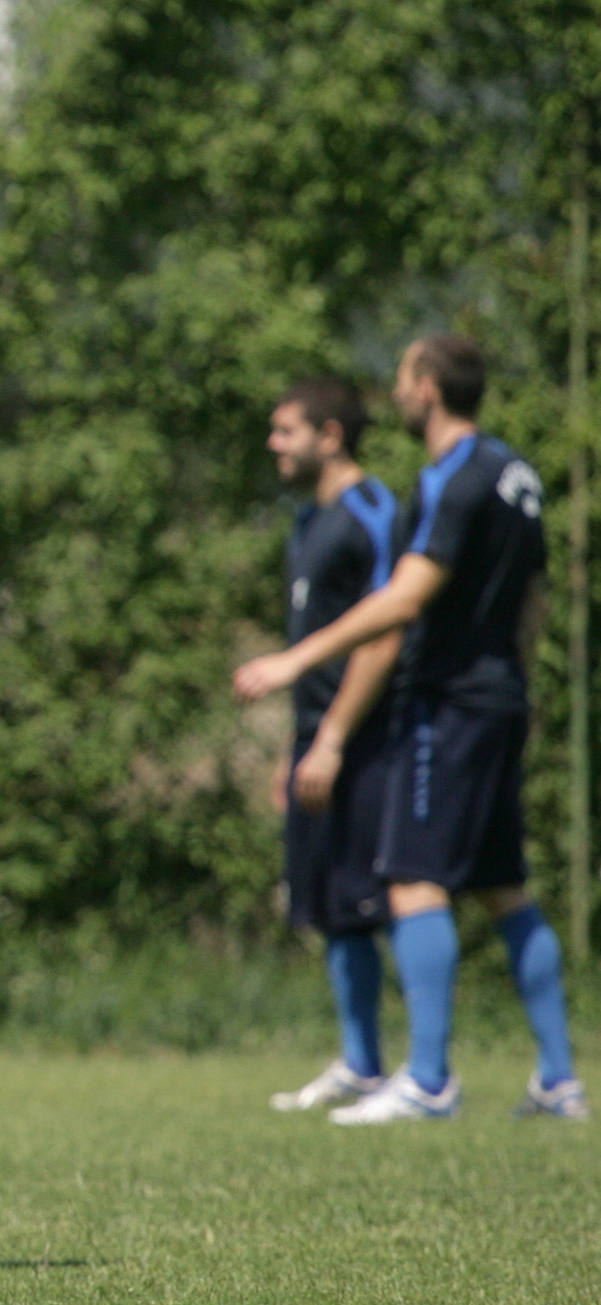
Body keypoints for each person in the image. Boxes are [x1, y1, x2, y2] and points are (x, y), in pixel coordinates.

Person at [234, 336, 584, 1123]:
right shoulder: (515, 474)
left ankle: (427, 1080)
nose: (394, 390)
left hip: (447, 701)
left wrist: (293, 665)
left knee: (411, 879)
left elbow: (402, 601)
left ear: (425, 388)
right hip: (498, 698)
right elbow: (529, 599)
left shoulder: (447, 477)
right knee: (503, 887)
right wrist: (517, 686)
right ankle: (558, 1081)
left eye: (401, 377)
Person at [257, 378, 403, 1113]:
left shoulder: (370, 511)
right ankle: (361, 1061)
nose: (272, 444)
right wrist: (300, 742)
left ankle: (426, 1069)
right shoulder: (304, 518)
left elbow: (386, 628)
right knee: (333, 905)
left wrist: (337, 737)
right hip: (318, 739)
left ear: (330, 435)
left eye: (285, 430)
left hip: (370, 736)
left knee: (392, 897)